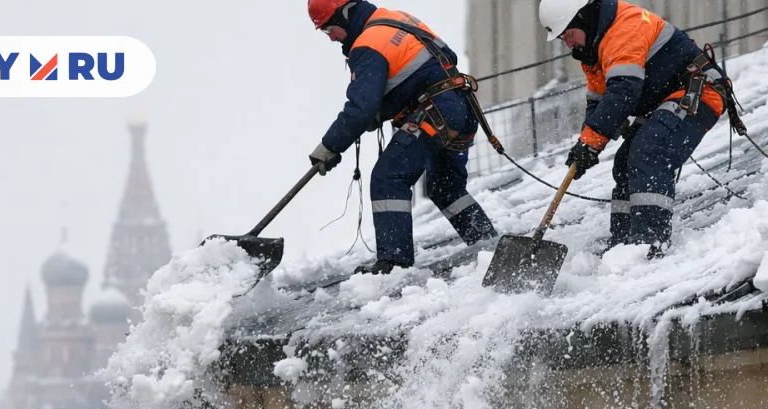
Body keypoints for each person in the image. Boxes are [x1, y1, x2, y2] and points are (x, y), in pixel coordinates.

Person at [308, 0, 498, 275]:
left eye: (329, 29)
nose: (331, 38)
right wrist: (384, 109)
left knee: (388, 178)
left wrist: (329, 146)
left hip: (435, 114)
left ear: (345, 15)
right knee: (446, 187)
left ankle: (395, 262)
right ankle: (486, 240)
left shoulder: (367, 44)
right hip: (461, 109)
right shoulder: (396, 19)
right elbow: (431, 65)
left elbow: (360, 109)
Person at [539, 0, 730, 258]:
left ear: (583, 19)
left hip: (698, 91)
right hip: (663, 100)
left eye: (569, 34)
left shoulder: (624, 29)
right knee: (624, 163)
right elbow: (599, 102)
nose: (568, 44)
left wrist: (592, 142)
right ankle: (622, 246)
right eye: (564, 39)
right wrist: (585, 145)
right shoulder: (593, 50)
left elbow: (623, 91)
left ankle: (648, 243)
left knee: (649, 151)